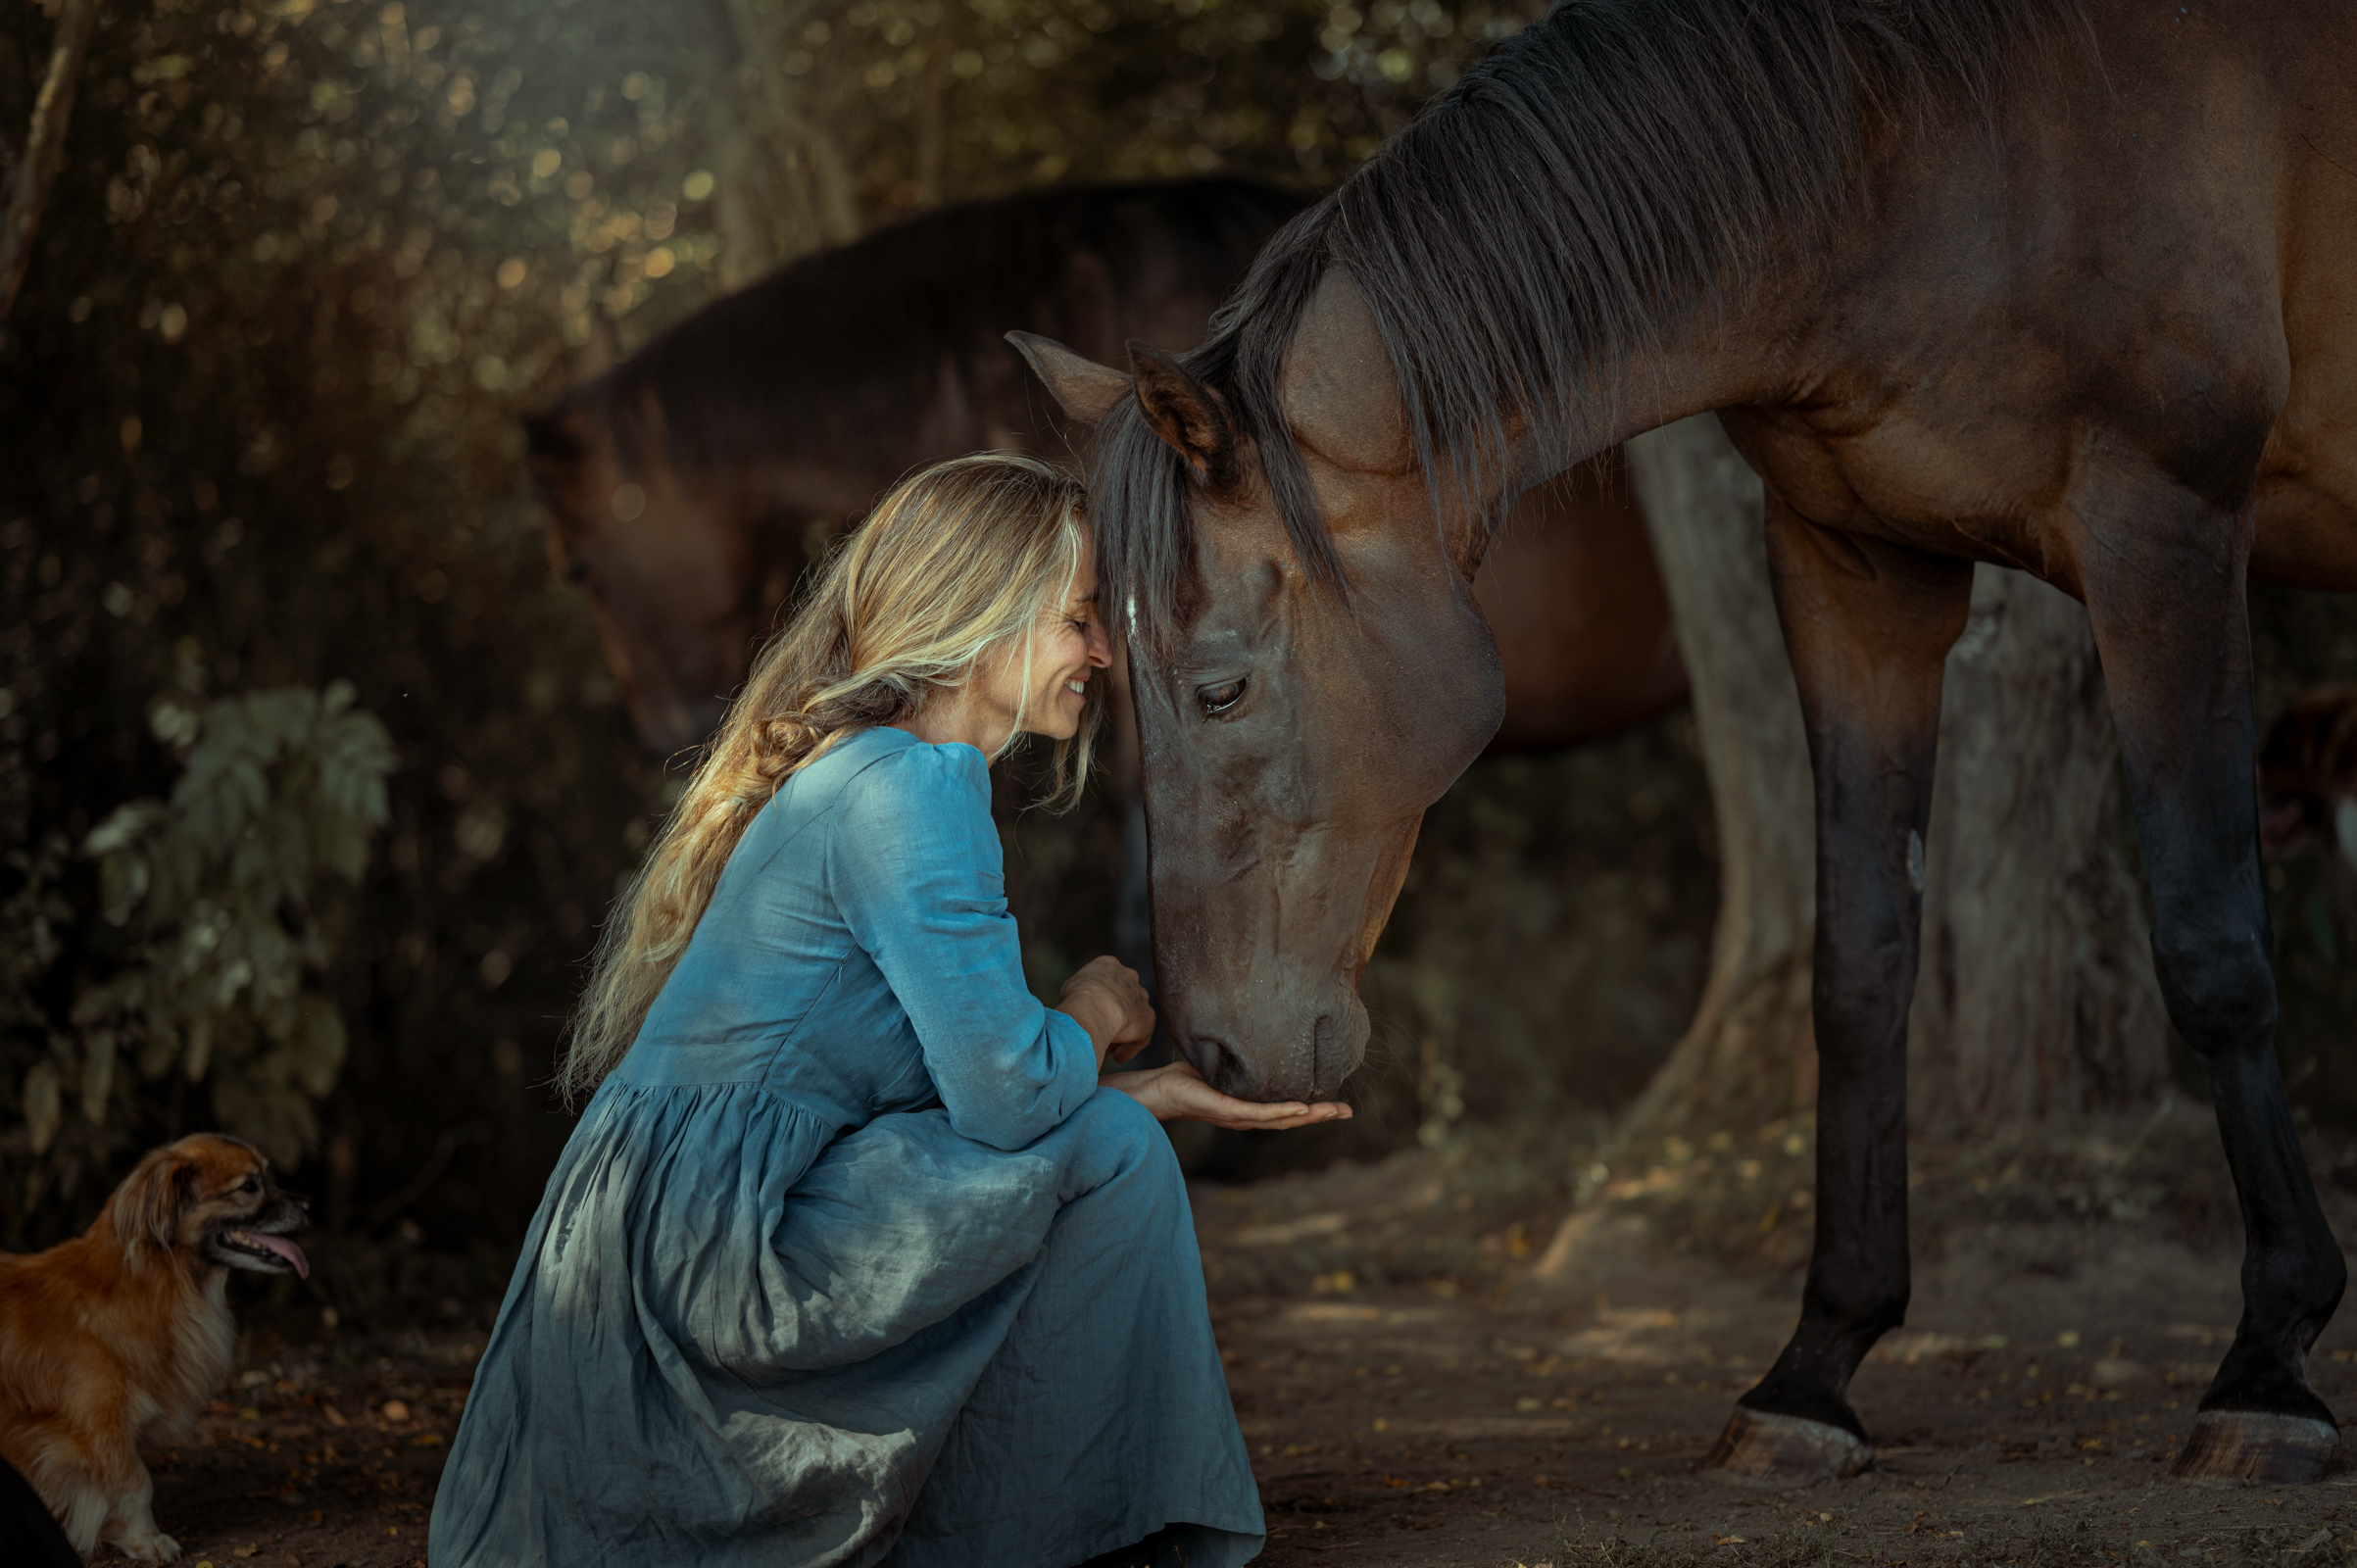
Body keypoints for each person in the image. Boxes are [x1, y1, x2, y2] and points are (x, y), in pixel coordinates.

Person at [430, 454, 1350, 1568]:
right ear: (982, 616)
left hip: (678, 1236)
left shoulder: (872, 773)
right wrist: (1092, 1011)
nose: (1102, 651)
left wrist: (1137, 1085)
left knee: (1113, 1133)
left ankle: (1037, 1523)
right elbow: (1007, 1100)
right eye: (1077, 618)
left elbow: (962, 1092)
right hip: (722, 1264)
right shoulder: (910, 789)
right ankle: (1088, 1535)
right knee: (1112, 1156)